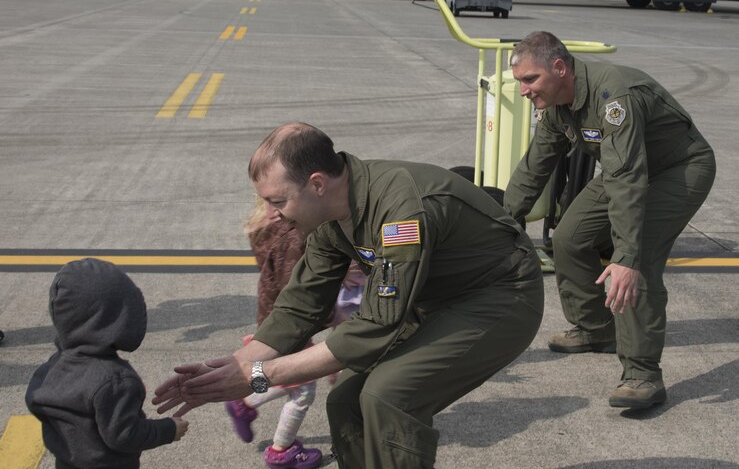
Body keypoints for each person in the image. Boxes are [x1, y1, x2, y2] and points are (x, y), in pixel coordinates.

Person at [153, 122, 544, 469]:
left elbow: (375, 325)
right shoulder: (326, 216)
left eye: (277, 200)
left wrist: (257, 378)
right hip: (430, 299)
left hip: (501, 296)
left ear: (317, 183)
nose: (271, 214)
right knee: (344, 398)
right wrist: (232, 368)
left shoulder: (400, 213)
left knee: (389, 395)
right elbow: (298, 307)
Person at [503, 31, 716, 409]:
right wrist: (504, 222)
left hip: (679, 169)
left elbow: (628, 177)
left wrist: (625, 256)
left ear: (559, 67)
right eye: (520, 81)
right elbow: (535, 167)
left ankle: (642, 373)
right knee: (569, 237)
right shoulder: (557, 107)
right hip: (629, 169)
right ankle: (596, 329)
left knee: (638, 257)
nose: (523, 90)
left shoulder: (613, 96)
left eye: (529, 79)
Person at [225, 198, 365, 469]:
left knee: (277, 375)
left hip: (271, 316)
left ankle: (244, 400)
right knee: (302, 392)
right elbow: (302, 296)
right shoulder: (295, 238)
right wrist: (335, 305)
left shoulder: (265, 228)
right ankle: (281, 450)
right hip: (289, 324)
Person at [25, 258, 188, 469]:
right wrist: (168, 429)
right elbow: (125, 435)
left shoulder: (51, 368)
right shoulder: (114, 381)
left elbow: (34, 400)